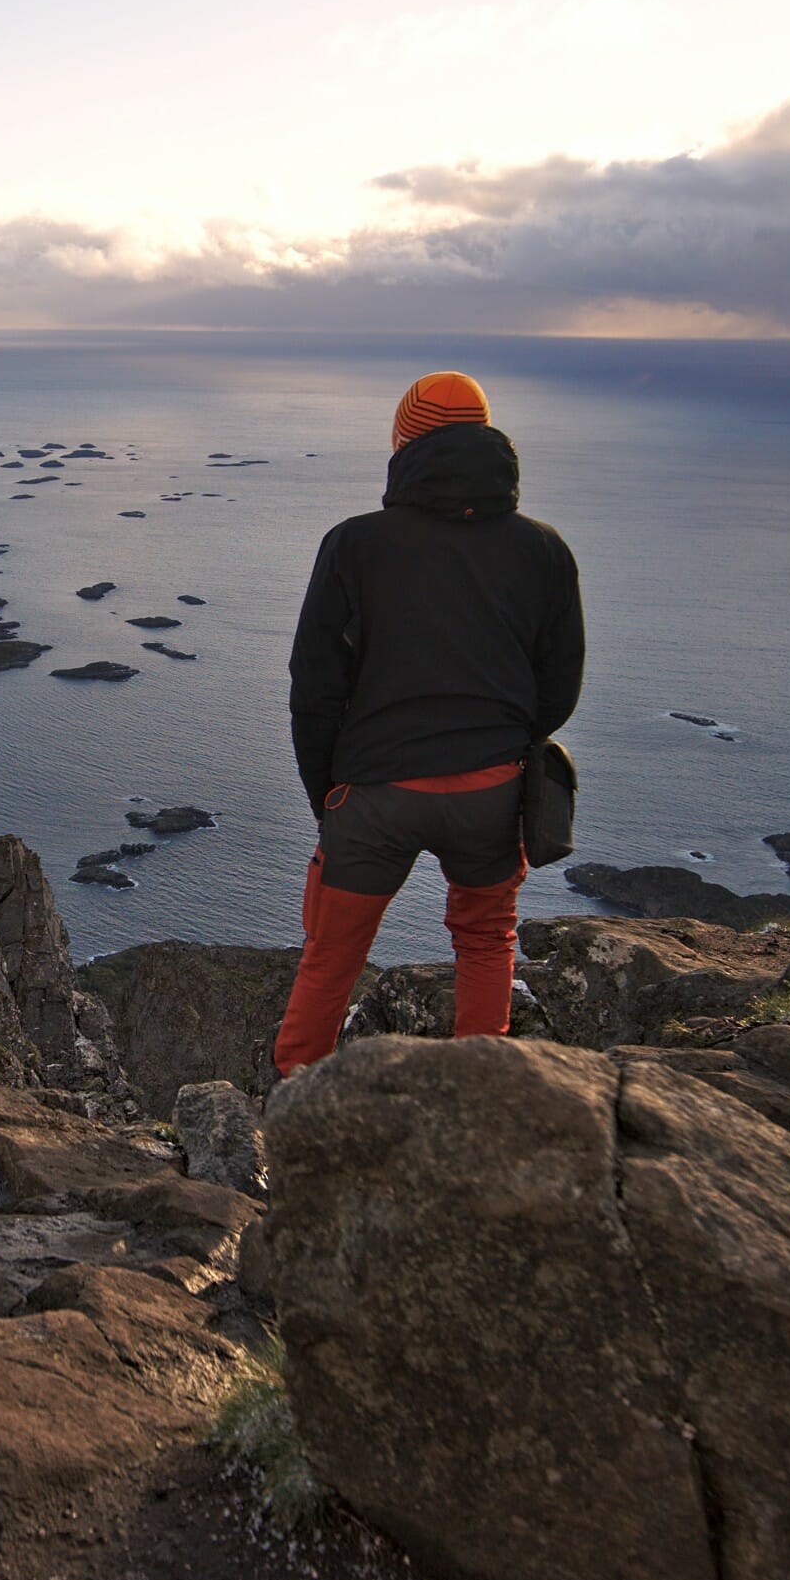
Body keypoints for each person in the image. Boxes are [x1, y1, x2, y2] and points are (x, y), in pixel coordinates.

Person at [272, 369, 584, 1075]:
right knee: (484, 939)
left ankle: (292, 1107)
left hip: (375, 794)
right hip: (492, 793)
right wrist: (502, 748)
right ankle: (478, 1092)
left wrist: (330, 794)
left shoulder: (355, 545)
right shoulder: (542, 550)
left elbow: (314, 690)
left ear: (403, 444)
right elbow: (559, 688)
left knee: (332, 954)